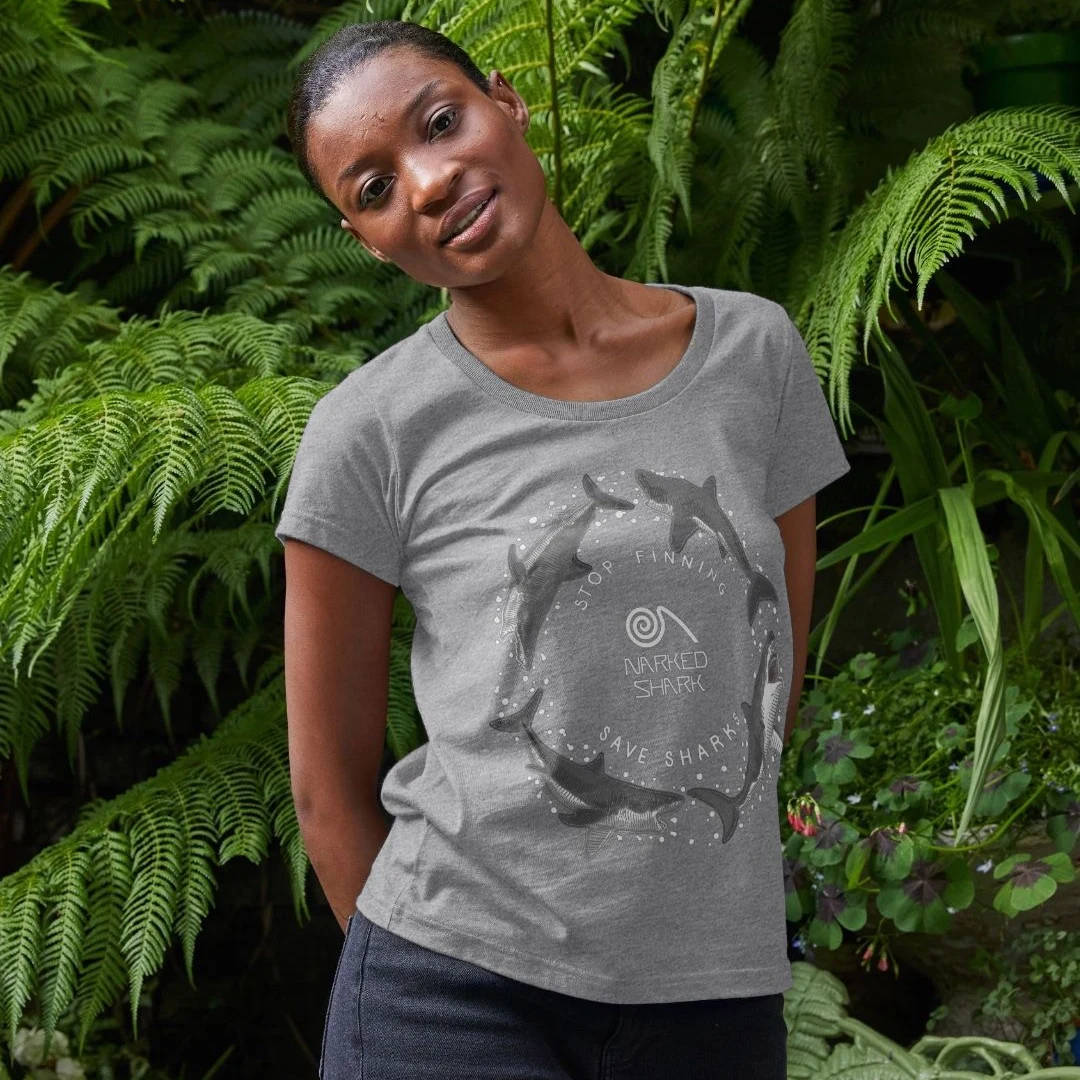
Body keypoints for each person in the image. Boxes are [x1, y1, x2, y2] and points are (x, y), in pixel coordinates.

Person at [275, 18, 850, 1080]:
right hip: (450, 993)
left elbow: (771, 680)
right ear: (367, 240)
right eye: (376, 188)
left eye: (440, 123)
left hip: (712, 994)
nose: (429, 184)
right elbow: (326, 788)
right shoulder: (368, 432)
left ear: (508, 102)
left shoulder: (753, 354)